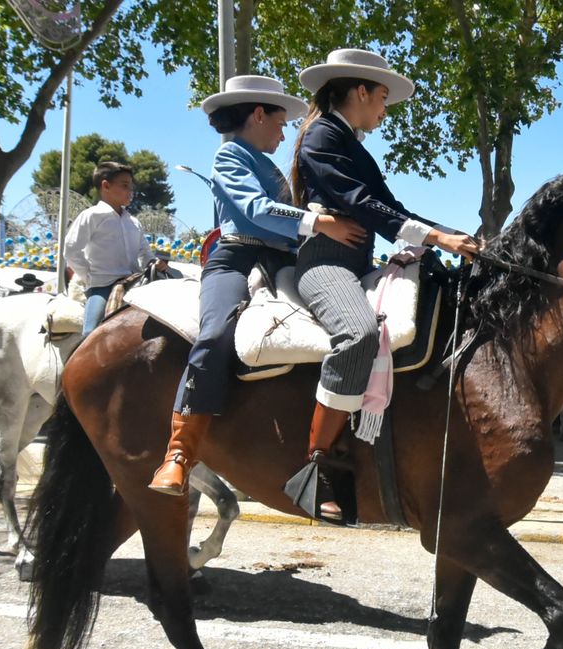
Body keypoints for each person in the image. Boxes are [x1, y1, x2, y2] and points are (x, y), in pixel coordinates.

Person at [148, 75, 367, 496]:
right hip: (236, 257)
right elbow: (256, 208)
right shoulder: (229, 155)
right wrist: (319, 221)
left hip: (284, 260)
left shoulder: (267, 163)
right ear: (258, 114)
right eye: (280, 122)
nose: (285, 132)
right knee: (213, 335)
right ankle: (179, 454)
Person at [288, 48, 479, 522]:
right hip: (325, 266)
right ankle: (318, 466)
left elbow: (391, 206)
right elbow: (361, 203)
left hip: (357, 264)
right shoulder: (319, 137)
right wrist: (437, 237)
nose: (384, 110)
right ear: (359, 91)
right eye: (382, 99)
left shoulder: (350, 142)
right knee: (360, 334)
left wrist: (454, 238)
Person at [63, 160, 168, 334]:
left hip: (135, 283)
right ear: (106, 186)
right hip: (102, 287)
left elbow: (145, 254)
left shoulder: (134, 222)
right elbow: (71, 249)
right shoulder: (91, 216)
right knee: (91, 332)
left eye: (131, 187)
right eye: (125, 185)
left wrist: (155, 263)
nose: (130, 191)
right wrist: (89, 277)